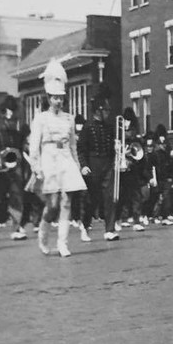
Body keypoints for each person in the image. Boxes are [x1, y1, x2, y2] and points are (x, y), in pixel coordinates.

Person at [28, 60, 87, 257]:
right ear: (48, 98)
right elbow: (34, 145)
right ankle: (43, 237)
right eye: (54, 98)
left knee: (67, 201)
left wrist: (77, 166)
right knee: (52, 204)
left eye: (61, 98)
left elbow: (73, 146)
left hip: (65, 159)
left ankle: (63, 243)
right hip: (49, 159)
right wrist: (36, 167)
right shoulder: (41, 118)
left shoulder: (68, 119)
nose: (58, 101)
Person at [77, 83, 119, 241]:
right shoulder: (88, 127)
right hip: (93, 163)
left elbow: (111, 147)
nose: (108, 113)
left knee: (110, 197)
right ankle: (85, 225)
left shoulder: (109, 127)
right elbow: (81, 149)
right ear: (98, 110)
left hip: (107, 163)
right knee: (91, 199)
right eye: (105, 110)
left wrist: (117, 148)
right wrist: (84, 165)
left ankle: (110, 228)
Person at [0, 96, 28, 241]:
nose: (11, 122)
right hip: (0, 172)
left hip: (14, 171)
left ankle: (16, 228)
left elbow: (21, 151)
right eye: (9, 119)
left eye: (14, 119)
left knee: (17, 198)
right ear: (3, 116)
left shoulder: (18, 135)